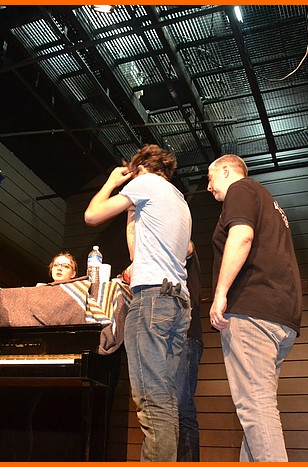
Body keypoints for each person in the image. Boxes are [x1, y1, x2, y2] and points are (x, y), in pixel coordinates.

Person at [84, 143, 192, 462]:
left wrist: (112, 182)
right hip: (177, 301)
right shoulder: (178, 199)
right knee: (164, 398)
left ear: (140, 168)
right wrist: (133, 214)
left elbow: (92, 215)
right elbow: (139, 253)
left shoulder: (144, 183)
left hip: (152, 298)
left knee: (151, 399)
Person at [206, 154, 302, 462]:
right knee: (257, 412)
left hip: (252, 311)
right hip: (281, 316)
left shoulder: (241, 189)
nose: (208, 187)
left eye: (210, 178)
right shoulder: (269, 202)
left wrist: (220, 293)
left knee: (255, 408)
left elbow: (242, 236)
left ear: (226, 170)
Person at [176, 241, 203, 462]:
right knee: (168, 410)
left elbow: (187, 246)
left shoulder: (187, 250)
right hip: (169, 338)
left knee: (182, 408)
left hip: (186, 336)